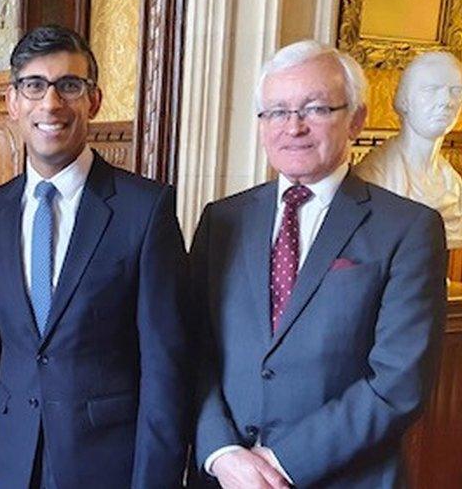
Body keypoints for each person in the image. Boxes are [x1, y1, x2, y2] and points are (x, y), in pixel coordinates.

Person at [191, 40, 447, 489]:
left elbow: (398, 382)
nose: (294, 127)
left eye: (315, 109)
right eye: (276, 112)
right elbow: (192, 349)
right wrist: (221, 452)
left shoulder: (409, 228)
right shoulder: (222, 220)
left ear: (356, 120)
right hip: (227, 478)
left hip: (348, 478)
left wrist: (280, 462)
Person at [0, 25, 190, 488]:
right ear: (14, 101)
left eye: (69, 86)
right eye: (34, 86)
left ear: (94, 100)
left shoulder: (145, 210)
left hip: (105, 463)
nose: (51, 103)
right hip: (9, 459)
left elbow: (165, 365)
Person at [355, 51, 462, 248]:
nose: (446, 101)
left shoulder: (454, 184)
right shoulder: (373, 178)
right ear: (404, 100)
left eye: (456, 90)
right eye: (431, 89)